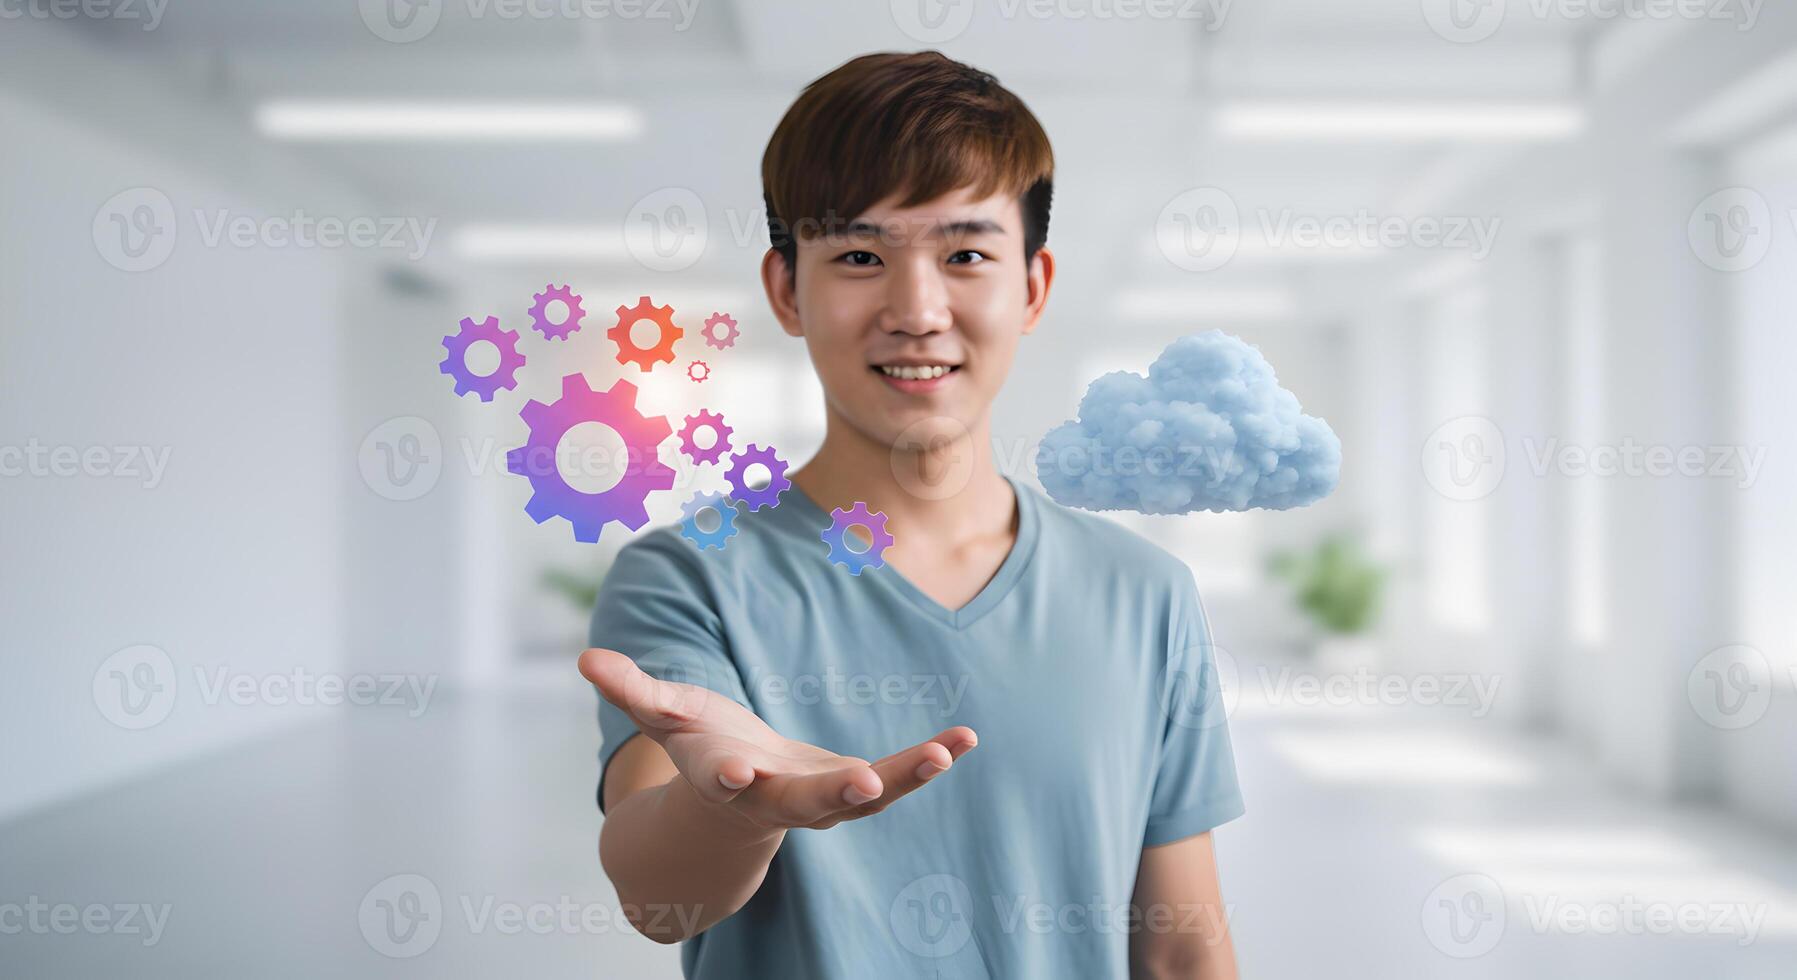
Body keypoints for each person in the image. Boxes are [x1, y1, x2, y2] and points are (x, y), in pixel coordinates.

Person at [579, 50, 1244, 979]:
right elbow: (657, 898)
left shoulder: (1145, 593)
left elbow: (1179, 947)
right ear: (786, 292)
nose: (917, 309)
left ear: (1032, 287)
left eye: (966, 255)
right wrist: (734, 810)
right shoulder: (690, 574)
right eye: (859, 256)